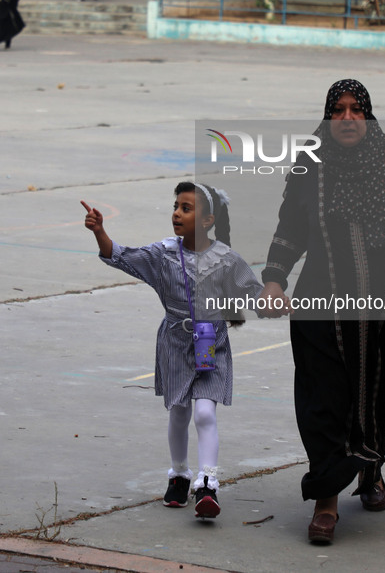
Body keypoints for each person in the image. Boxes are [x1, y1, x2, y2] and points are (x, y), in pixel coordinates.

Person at [260, 79, 385, 544]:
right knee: (324, 401)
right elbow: (291, 226)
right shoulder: (310, 161)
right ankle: (327, 501)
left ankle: (369, 471)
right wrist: (273, 280)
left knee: (377, 398)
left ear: (368, 115)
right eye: (338, 110)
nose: (347, 119)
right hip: (319, 308)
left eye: (356, 110)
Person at [81, 182, 263, 518]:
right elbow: (119, 256)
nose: (176, 214)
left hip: (212, 344)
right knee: (179, 412)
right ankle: (179, 475)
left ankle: (207, 483)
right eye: (176, 206)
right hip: (175, 345)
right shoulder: (162, 254)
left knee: (205, 412)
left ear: (208, 220)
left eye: (186, 208)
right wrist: (100, 231)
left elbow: (253, 291)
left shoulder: (226, 259)